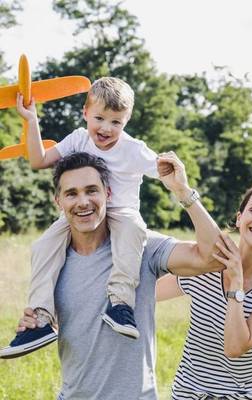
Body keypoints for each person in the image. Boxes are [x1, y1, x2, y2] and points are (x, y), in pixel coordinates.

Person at [4, 151, 223, 399]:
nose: (83, 201)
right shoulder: (52, 260)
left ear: (107, 194)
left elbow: (214, 258)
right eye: (71, 194)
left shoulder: (142, 247)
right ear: (58, 201)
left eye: (91, 190)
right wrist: (35, 321)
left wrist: (184, 192)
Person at [3, 76, 172, 352]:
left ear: (126, 122)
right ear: (85, 113)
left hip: (119, 213)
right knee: (43, 245)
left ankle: (119, 305)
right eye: (99, 118)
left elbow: (164, 172)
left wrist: (171, 167)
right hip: (81, 216)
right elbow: (39, 160)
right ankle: (41, 319)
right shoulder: (79, 138)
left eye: (116, 122)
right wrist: (31, 119)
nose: (106, 128)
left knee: (133, 229)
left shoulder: (133, 149)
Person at [156, 182, 252, 400]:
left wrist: (236, 284)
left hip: (240, 396)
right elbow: (150, 293)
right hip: (187, 393)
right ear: (240, 218)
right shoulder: (207, 265)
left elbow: (234, 347)